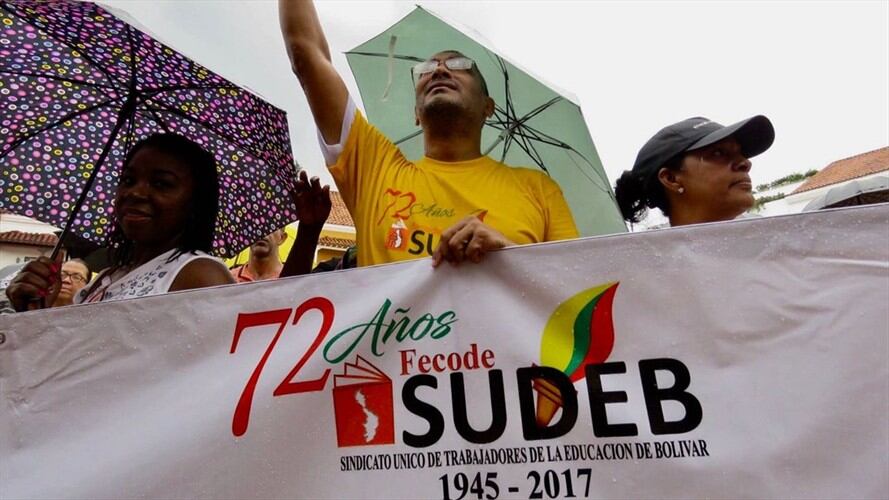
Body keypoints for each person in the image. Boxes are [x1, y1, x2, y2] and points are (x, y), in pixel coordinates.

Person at [278, 0, 578, 268]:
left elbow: (579, 289)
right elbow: (307, 55)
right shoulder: (374, 169)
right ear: (416, 115)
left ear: (488, 107)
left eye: (460, 65)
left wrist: (507, 254)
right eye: (428, 67)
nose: (440, 70)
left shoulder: (540, 191)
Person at [5, 133, 235, 311]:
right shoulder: (105, 279)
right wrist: (37, 311)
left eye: (161, 184)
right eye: (128, 179)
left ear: (195, 201)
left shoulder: (200, 275)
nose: (135, 192)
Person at [614, 116, 775, 227]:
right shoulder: (648, 273)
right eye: (718, 153)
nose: (745, 163)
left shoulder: (786, 248)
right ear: (671, 179)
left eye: (741, 153)